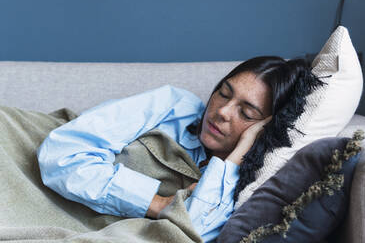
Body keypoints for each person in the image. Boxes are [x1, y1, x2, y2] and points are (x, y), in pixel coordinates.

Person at [37, 56, 311, 242]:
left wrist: (237, 156)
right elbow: (64, 152)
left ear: (265, 128)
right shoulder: (173, 106)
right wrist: (157, 204)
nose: (222, 112)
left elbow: (192, 231)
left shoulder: (243, 184)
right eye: (224, 93)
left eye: (247, 113)